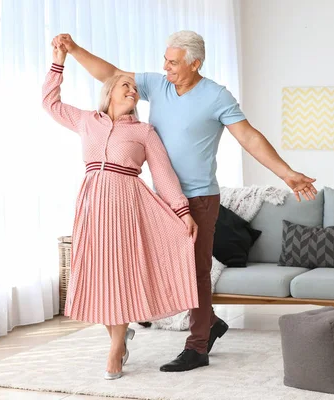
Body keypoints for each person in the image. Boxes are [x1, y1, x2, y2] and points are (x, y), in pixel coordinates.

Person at [52, 30, 318, 372]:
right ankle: (208, 323)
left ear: (195, 63)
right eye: (165, 59)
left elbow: (249, 137)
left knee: (195, 271)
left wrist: (286, 173)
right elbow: (111, 75)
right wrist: (73, 50)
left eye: (173, 62)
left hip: (198, 197)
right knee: (161, 266)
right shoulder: (157, 85)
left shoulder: (216, 97)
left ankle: (197, 346)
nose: (166, 67)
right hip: (159, 198)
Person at [42, 44, 200, 380]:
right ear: (109, 91)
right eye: (125, 85)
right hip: (92, 206)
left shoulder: (143, 132)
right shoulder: (87, 121)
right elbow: (50, 104)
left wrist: (182, 211)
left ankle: (116, 348)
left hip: (128, 206)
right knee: (100, 275)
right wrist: (58, 62)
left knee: (122, 273)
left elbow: (163, 174)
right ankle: (119, 337)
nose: (132, 90)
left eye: (135, 88)